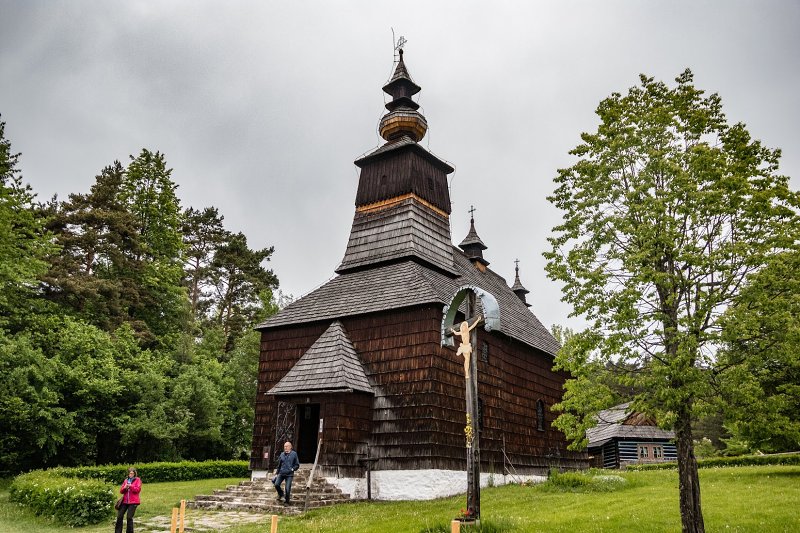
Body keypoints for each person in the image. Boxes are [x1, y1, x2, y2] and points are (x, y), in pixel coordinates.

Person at [115, 467, 141, 533]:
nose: (131, 475)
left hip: (133, 502)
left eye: (132, 473)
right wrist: (125, 487)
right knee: (119, 516)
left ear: (135, 474)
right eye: (130, 473)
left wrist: (131, 486)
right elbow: (121, 491)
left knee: (129, 517)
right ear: (128, 474)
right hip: (125, 501)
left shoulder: (138, 480)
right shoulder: (126, 480)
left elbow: (137, 490)